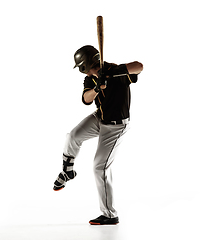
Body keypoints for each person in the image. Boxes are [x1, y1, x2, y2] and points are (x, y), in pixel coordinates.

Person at [53, 45, 143, 225]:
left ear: (85, 65)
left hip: (116, 126)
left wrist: (113, 73)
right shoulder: (91, 79)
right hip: (100, 117)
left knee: (99, 168)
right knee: (73, 136)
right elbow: (87, 99)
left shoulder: (114, 70)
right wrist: (97, 87)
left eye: (82, 68)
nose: (83, 72)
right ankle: (67, 170)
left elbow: (139, 66)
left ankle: (110, 214)